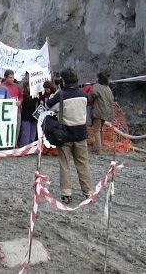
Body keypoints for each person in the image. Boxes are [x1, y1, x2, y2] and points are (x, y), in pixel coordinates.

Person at [46, 68, 93, 205]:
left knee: (65, 164)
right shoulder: (83, 94)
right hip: (81, 134)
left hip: (65, 135)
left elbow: (49, 106)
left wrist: (56, 92)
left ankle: (66, 194)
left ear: (63, 80)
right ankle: (88, 192)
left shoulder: (61, 94)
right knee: (83, 164)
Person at [89, 73, 115, 153]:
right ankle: (98, 147)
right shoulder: (107, 88)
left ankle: (99, 150)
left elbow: (90, 97)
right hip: (107, 112)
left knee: (96, 130)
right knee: (100, 129)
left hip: (98, 111)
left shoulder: (96, 87)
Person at [19, 81, 39, 147]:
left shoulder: (36, 95)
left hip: (34, 117)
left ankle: (30, 148)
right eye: (28, 86)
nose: (29, 87)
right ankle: (24, 149)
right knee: (25, 135)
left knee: (32, 136)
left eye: (30, 86)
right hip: (25, 116)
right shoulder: (23, 95)